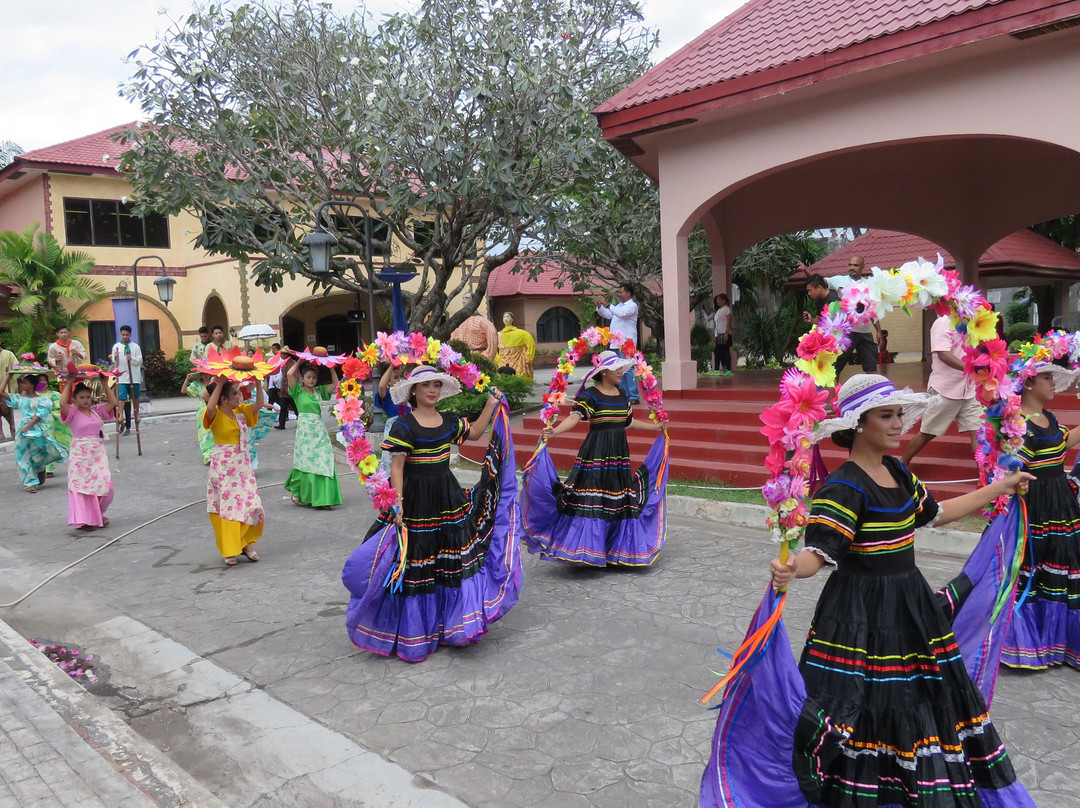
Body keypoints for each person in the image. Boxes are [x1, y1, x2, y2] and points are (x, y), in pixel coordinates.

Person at [759, 374, 1035, 807]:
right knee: (860, 704)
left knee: (918, 698)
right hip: (859, 614)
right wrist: (793, 568)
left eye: (899, 415)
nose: (898, 424)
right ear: (859, 424)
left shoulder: (898, 471)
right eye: (886, 416)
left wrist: (998, 487)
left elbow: (936, 514)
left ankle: (912, 788)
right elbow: (820, 552)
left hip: (911, 606)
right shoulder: (843, 486)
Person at [343, 365, 521, 662]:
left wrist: (491, 404)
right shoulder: (404, 425)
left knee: (449, 560)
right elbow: (397, 467)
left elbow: (475, 432)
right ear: (414, 390)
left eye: (436, 384)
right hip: (416, 501)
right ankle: (416, 632)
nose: (432, 390)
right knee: (417, 563)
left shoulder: (449, 420)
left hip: (447, 497)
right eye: (426, 385)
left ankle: (452, 625)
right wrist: (398, 503)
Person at [522, 350, 669, 566]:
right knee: (592, 498)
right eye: (616, 369)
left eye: (621, 368)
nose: (621, 372)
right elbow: (574, 418)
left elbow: (628, 422)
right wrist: (554, 432)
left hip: (619, 456)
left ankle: (612, 549)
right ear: (604, 372)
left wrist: (655, 427)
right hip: (596, 454)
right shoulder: (590, 395)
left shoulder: (622, 395)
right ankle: (587, 549)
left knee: (616, 499)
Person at [1002, 362, 1080, 670]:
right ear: (1029, 383)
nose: (1053, 383)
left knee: (1064, 564)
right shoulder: (1019, 424)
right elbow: (1013, 470)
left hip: (1061, 504)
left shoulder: (1049, 417)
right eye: (1047, 377)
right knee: (1035, 567)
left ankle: (1059, 642)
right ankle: (1032, 642)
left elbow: (1062, 443)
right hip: (1037, 510)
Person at [901, 314, 981, 466]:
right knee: (927, 433)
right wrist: (970, 369)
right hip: (945, 389)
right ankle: (902, 465)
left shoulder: (974, 322)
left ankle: (985, 474)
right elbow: (943, 354)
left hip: (970, 389)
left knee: (978, 433)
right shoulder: (943, 322)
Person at [203, 376, 264, 566]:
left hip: (243, 466)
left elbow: (259, 404)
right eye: (235, 393)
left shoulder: (241, 411)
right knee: (229, 508)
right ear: (224, 399)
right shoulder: (215, 414)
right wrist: (220, 382)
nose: (239, 396)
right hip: (224, 467)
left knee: (252, 504)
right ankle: (232, 548)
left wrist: (259, 382)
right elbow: (210, 407)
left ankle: (245, 542)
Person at [283, 360, 344, 508]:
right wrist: (299, 361)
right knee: (304, 462)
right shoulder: (297, 391)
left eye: (314, 378)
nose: (311, 380)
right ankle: (298, 491)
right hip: (304, 433)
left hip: (319, 432)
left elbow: (336, 384)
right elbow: (290, 374)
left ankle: (323, 498)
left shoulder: (320, 391)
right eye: (308, 377)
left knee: (324, 460)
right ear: (302, 379)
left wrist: (331, 367)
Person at [60, 379, 118, 530]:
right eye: (81, 397)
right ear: (74, 399)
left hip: (98, 454)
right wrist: (68, 383)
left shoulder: (97, 410)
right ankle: (85, 520)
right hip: (80, 456)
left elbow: (113, 402)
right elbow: (62, 404)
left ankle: (99, 513)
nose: (85, 400)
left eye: (88, 397)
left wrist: (105, 383)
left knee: (107, 486)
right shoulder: (72, 412)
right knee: (82, 488)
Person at [0, 366, 68, 493]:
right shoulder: (20, 398)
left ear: (32, 385)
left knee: (38, 453)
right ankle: (29, 483)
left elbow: (39, 416)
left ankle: (39, 468)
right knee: (22, 455)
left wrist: (27, 427)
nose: (22, 385)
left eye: (25, 383)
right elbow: (1, 392)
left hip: (37, 429)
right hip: (23, 430)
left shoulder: (43, 400)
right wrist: (8, 376)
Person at [835, 255, 881, 373]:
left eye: (856, 265)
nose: (852, 267)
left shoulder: (869, 284)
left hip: (864, 333)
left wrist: (879, 330)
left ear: (863, 267)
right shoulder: (839, 280)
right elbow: (819, 282)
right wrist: (805, 269)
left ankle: (873, 386)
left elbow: (872, 310)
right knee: (837, 367)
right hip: (846, 332)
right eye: (850, 265)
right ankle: (835, 386)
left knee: (871, 366)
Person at [597, 283, 640, 403]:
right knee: (619, 369)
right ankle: (624, 395)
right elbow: (608, 315)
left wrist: (607, 304)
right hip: (616, 342)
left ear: (628, 293)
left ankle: (633, 396)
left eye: (621, 292)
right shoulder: (619, 306)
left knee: (629, 368)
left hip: (627, 343)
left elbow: (622, 314)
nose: (619, 294)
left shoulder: (632, 306)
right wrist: (600, 307)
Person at [111, 325, 143, 435]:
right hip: (122, 376)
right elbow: (114, 361)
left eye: (127, 335)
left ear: (130, 335)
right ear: (120, 334)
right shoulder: (116, 346)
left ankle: (137, 414)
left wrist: (131, 358)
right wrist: (116, 357)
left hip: (134, 375)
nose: (125, 337)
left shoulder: (135, 347)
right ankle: (120, 414)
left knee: (135, 395)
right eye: (123, 335)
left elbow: (139, 360)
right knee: (121, 396)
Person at [450, 293, 499, 361]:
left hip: (477, 359)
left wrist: (484, 358)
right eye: (463, 298)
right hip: (459, 359)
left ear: (474, 301)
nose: (463, 301)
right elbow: (452, 339)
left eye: (467, 298)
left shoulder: (483, 322)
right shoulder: (458, 321)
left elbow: (493, 341)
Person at [180, 369, 214, 464]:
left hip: (215, 409)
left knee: (215, 432)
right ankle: (207, 456)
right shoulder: (197, 384)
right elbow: (183, 391)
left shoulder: (215, 383)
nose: (205, 375)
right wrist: (187, 379)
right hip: (203, 411)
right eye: (203, 373)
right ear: (200, 375)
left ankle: (216, 455)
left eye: (207, 373)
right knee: (204, 434)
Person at [495, 312, 535, 380]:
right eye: (504, 317)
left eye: (508, 316)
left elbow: (531, 344)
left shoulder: (522, 333)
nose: (505, 319)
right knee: (504, 379)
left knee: (518, 378)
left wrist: (528, 356)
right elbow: (493, 347)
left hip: (518, 361)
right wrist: (497, 358)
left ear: (512, 319)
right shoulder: (498, 335)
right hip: (503, 361)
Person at [709, 293, 733, 375]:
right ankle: (717, 369)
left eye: (719, 299)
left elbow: (729, 321)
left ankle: (728, 370)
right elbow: (717, 325)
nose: (717, 301)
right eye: (717, 300)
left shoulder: (726, 309)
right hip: (719, 334)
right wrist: (715, 335)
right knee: (717, 352)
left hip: (724, 333)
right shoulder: (718, 311)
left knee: (725, 352)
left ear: (724, 300)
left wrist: (726, 332)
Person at [0, 335, 17, 439]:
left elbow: (16, 368)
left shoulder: (8, 354)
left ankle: (13, 432)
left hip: (6, 389)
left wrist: (10, 374)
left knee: (8, 412)